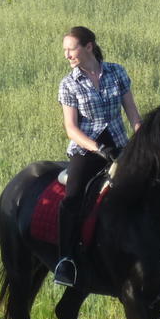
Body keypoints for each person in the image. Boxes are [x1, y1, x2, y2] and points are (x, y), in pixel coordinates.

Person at [54, 26, 142, 288]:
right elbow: (71, 129)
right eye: (65, 50)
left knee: (151, 187)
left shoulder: (117, 72)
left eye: (72, 49)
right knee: (72, 197)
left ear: (89, 47)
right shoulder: (69, 83)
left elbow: (134, 116)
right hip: (86, 150)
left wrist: (141, 141)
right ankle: (66, 260)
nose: (67, 55)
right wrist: (98, 148)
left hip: (120, 145)